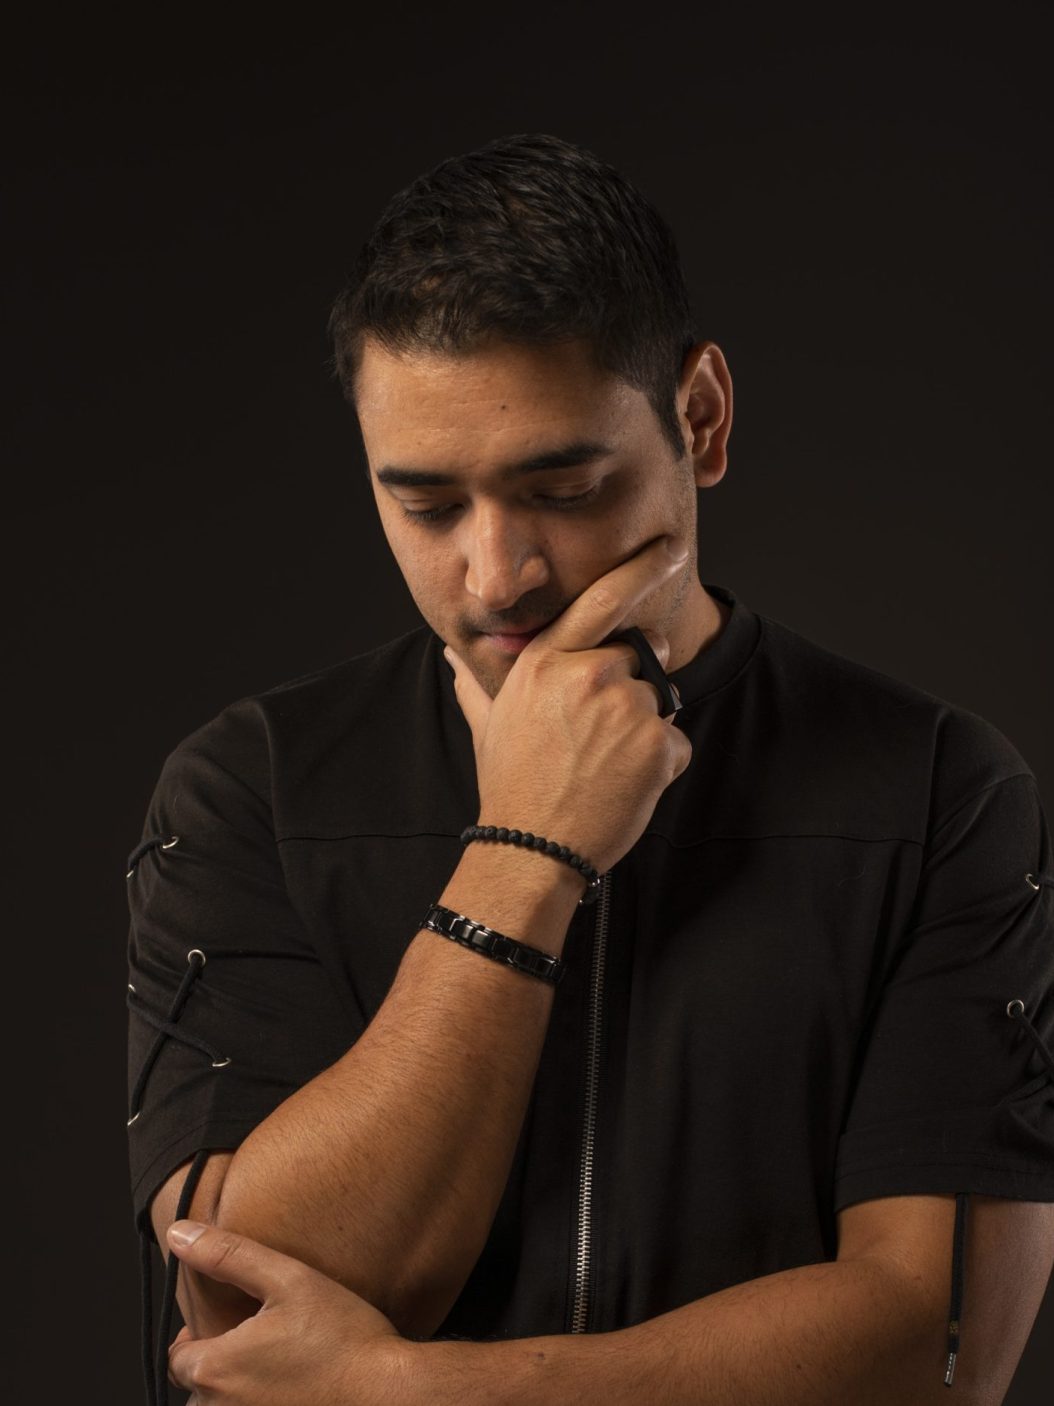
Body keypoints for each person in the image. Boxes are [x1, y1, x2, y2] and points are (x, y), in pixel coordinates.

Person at [126, 132, 1054, 1406]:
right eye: (427, 505)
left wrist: (415, 1392)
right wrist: (526, 849)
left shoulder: (937, 789)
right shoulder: (249, 787)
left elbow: (931, 1348)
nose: (495, 574)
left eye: (562, 487)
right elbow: (240, 1304)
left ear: (700, 417)